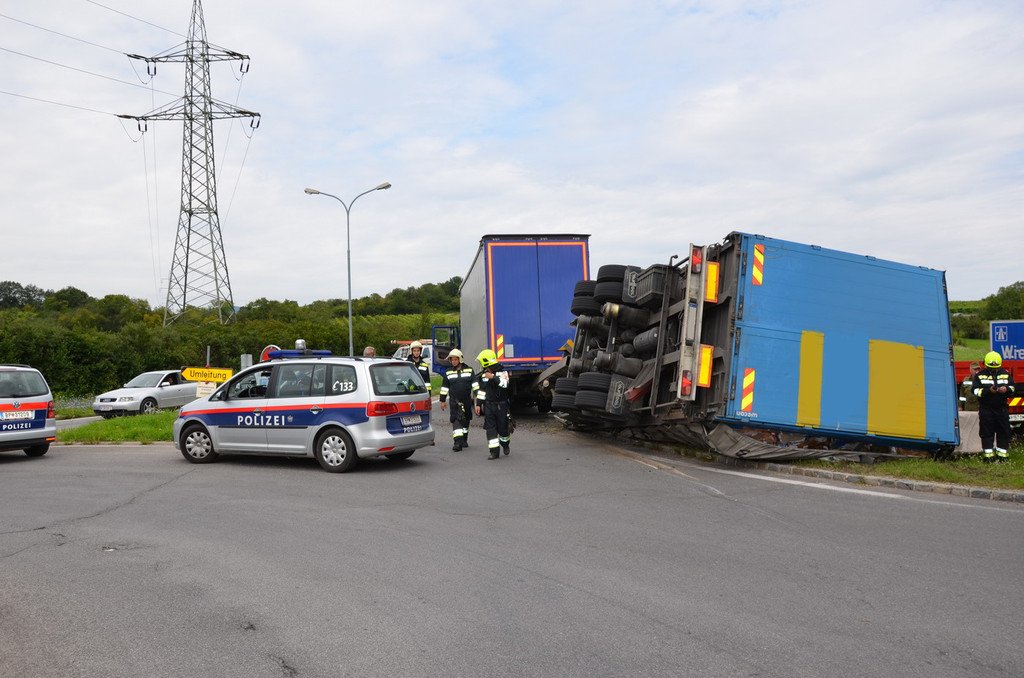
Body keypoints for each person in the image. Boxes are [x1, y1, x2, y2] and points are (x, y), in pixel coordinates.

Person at [971, 351, 1016, 461]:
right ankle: (988, 457)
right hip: (986, 409)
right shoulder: (980, 375)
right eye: (991, 368)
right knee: (986, 433)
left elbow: (1013, 388)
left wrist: (1006, 389)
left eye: (996, 368)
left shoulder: (1005, 374)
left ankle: (1002, 456)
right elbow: (975, 391)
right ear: (985, 365)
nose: (993, 370)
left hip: (1002, 409)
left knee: (1003, 432)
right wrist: (988, 391)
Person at [474, 348, 511, 460]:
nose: (481, 364)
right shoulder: (483, 375)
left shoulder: (503, 372)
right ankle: (494, 452)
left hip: (501, 406)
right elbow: (482, 391)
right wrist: (478, 404)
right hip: (489, 406)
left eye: (481, 362)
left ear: (486, 361)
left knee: (503, 430)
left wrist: (493, 377)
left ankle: (505, 444)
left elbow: (505, 384)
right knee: (490, 430)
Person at [438, 349, 475, 451]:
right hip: (454, 401)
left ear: (460, 359)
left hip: (466, 400)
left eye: (455, 359)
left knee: (466, 420)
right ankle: (457, 443)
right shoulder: (448, 372)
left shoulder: (469, 370)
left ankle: (464, 439)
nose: (453, 361)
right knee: (456, 419)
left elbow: (475, 385)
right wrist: (442, 400)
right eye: (452, 360)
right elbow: (444, 387)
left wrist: (478, 402)